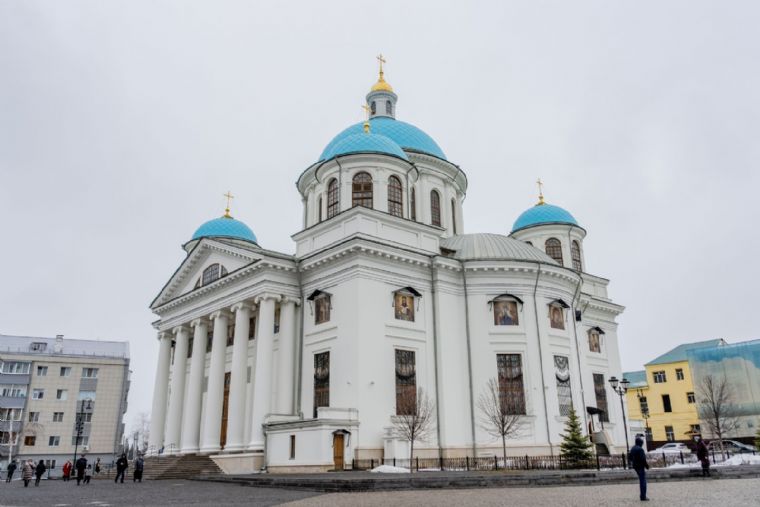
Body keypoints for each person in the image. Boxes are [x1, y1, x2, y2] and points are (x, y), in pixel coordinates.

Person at [629, 437, 650, 501]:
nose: (642, 444)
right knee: (643, 481)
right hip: (640, 466)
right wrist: (646, 466)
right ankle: (643, 496)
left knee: (642, 480)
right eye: (642, 443)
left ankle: (642, 496)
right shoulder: (640, 449)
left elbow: (630, 457)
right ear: (640, 443)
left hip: (635, 466)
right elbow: (643, 459)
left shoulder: (633, 448)